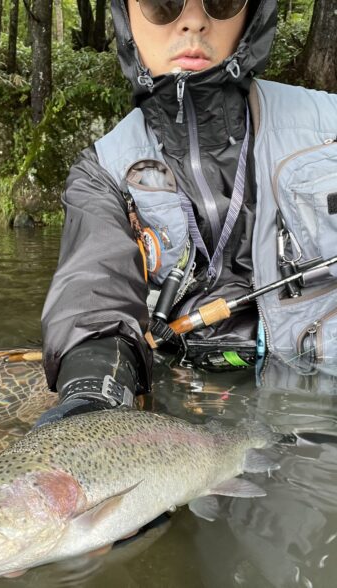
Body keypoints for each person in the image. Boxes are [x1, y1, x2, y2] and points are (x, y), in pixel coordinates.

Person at [37, 0, 337, 424]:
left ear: (252, 15)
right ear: (127, 19)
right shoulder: (100, 173)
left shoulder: (332, 127)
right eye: (162, 4)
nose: (194, 21)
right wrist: (91, 398)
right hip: (181, 421)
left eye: (222, 1)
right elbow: (92, 296)